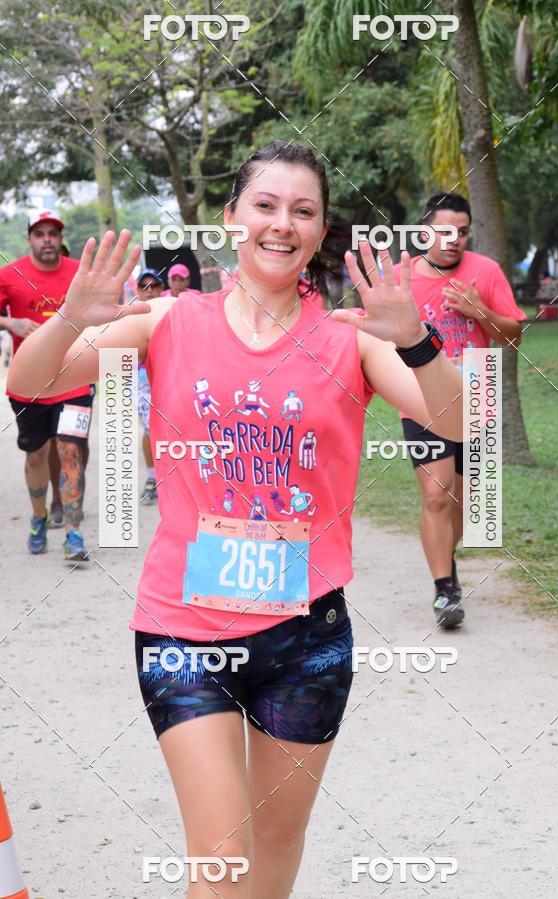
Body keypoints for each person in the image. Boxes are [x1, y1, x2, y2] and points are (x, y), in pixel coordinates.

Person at [9, 142, 463, 898]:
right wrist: (67, 321)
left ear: (321, 232)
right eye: (265, 205)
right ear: (231, 219)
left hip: (306, 636)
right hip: (184, 631)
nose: (282, 224)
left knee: (276, 850)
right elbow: (31, 383)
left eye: (303, 211)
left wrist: (415, 339)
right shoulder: (166, 320)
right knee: (220, 865)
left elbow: (452, 418)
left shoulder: (350, 336)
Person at [394, 193, 527, 629]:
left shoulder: (484, 272)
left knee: (468, 505)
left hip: (479, 387)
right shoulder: (401, 279)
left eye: (462, 232)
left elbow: (513, 337)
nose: (453, 240)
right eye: (444, 231)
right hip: (423, 394)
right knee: (436, 492)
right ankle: (444, 588)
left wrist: (478, 310)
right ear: (424, 231)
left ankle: (444, 560)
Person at [0, 210, 92, 560]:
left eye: (53, 233)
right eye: (40, 234)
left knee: (70, 451)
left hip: (75, 379)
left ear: (60, 238)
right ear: (30, 239)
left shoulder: (79, 274)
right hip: (29, 384)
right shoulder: (9, 275)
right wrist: (12, 322)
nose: (48, 239)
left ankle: (73, 531)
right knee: (37, 453)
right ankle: (38, 518)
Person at [135, 268, 165, 502]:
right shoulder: (129, 314)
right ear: (138, 290)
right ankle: (152, 477)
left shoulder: (171, 311)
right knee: (150, 427)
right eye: (144, 286)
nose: (150, 291)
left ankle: (171, 477)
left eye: (154, 286)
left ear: (161, 289)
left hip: (168, 376)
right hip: (141, 381)